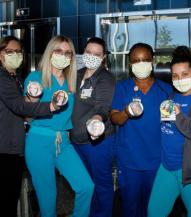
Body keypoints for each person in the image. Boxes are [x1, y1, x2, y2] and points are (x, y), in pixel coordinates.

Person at [0, 36, 56, 217]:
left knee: (9, 200)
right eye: (10, 52)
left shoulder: (14, 78)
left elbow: (23, 110)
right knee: (0, 202)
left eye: (18, 52)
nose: (16, 55)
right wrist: (51, 106)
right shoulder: (0, 78)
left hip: (14, 148)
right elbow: (19, 106)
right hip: (2, 148)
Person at [24, 35, 94, 217]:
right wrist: (32, 98)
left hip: (63, 141)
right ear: (50, 53)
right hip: (39, 141)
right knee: (48, 199)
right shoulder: (36, 77)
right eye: (58, 51)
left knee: (86, 186)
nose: (63, 56)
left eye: (68, 53)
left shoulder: (72, 81)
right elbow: (27, 111)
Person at [147, 46, 191, 217]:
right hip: (166, 167)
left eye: (185, 74)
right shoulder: (172, 97)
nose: (180, 79)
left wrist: (179, 117)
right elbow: (166, 130)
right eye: (175, 75)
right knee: (154, 212)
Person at [111, 43, 172, 217]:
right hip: (129, 160)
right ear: (130, 64)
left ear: (152, 61)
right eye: (136, 61)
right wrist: (127, 112)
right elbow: (115, 118)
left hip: (157, 161)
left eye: (145, 59)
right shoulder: (122, 88)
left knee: (152, 207)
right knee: (129, 207)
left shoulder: (165, 89)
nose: (141, 63)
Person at [70, 37, 115, 217]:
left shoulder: (105, 78)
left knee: (101, 183)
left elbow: (102, 107)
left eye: (97, 54)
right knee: (86, 184)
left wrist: (96, 122)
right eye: (89, 52)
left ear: (103, 57)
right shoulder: (77, 74)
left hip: (97, 142)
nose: (92, 56)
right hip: (76, 141)